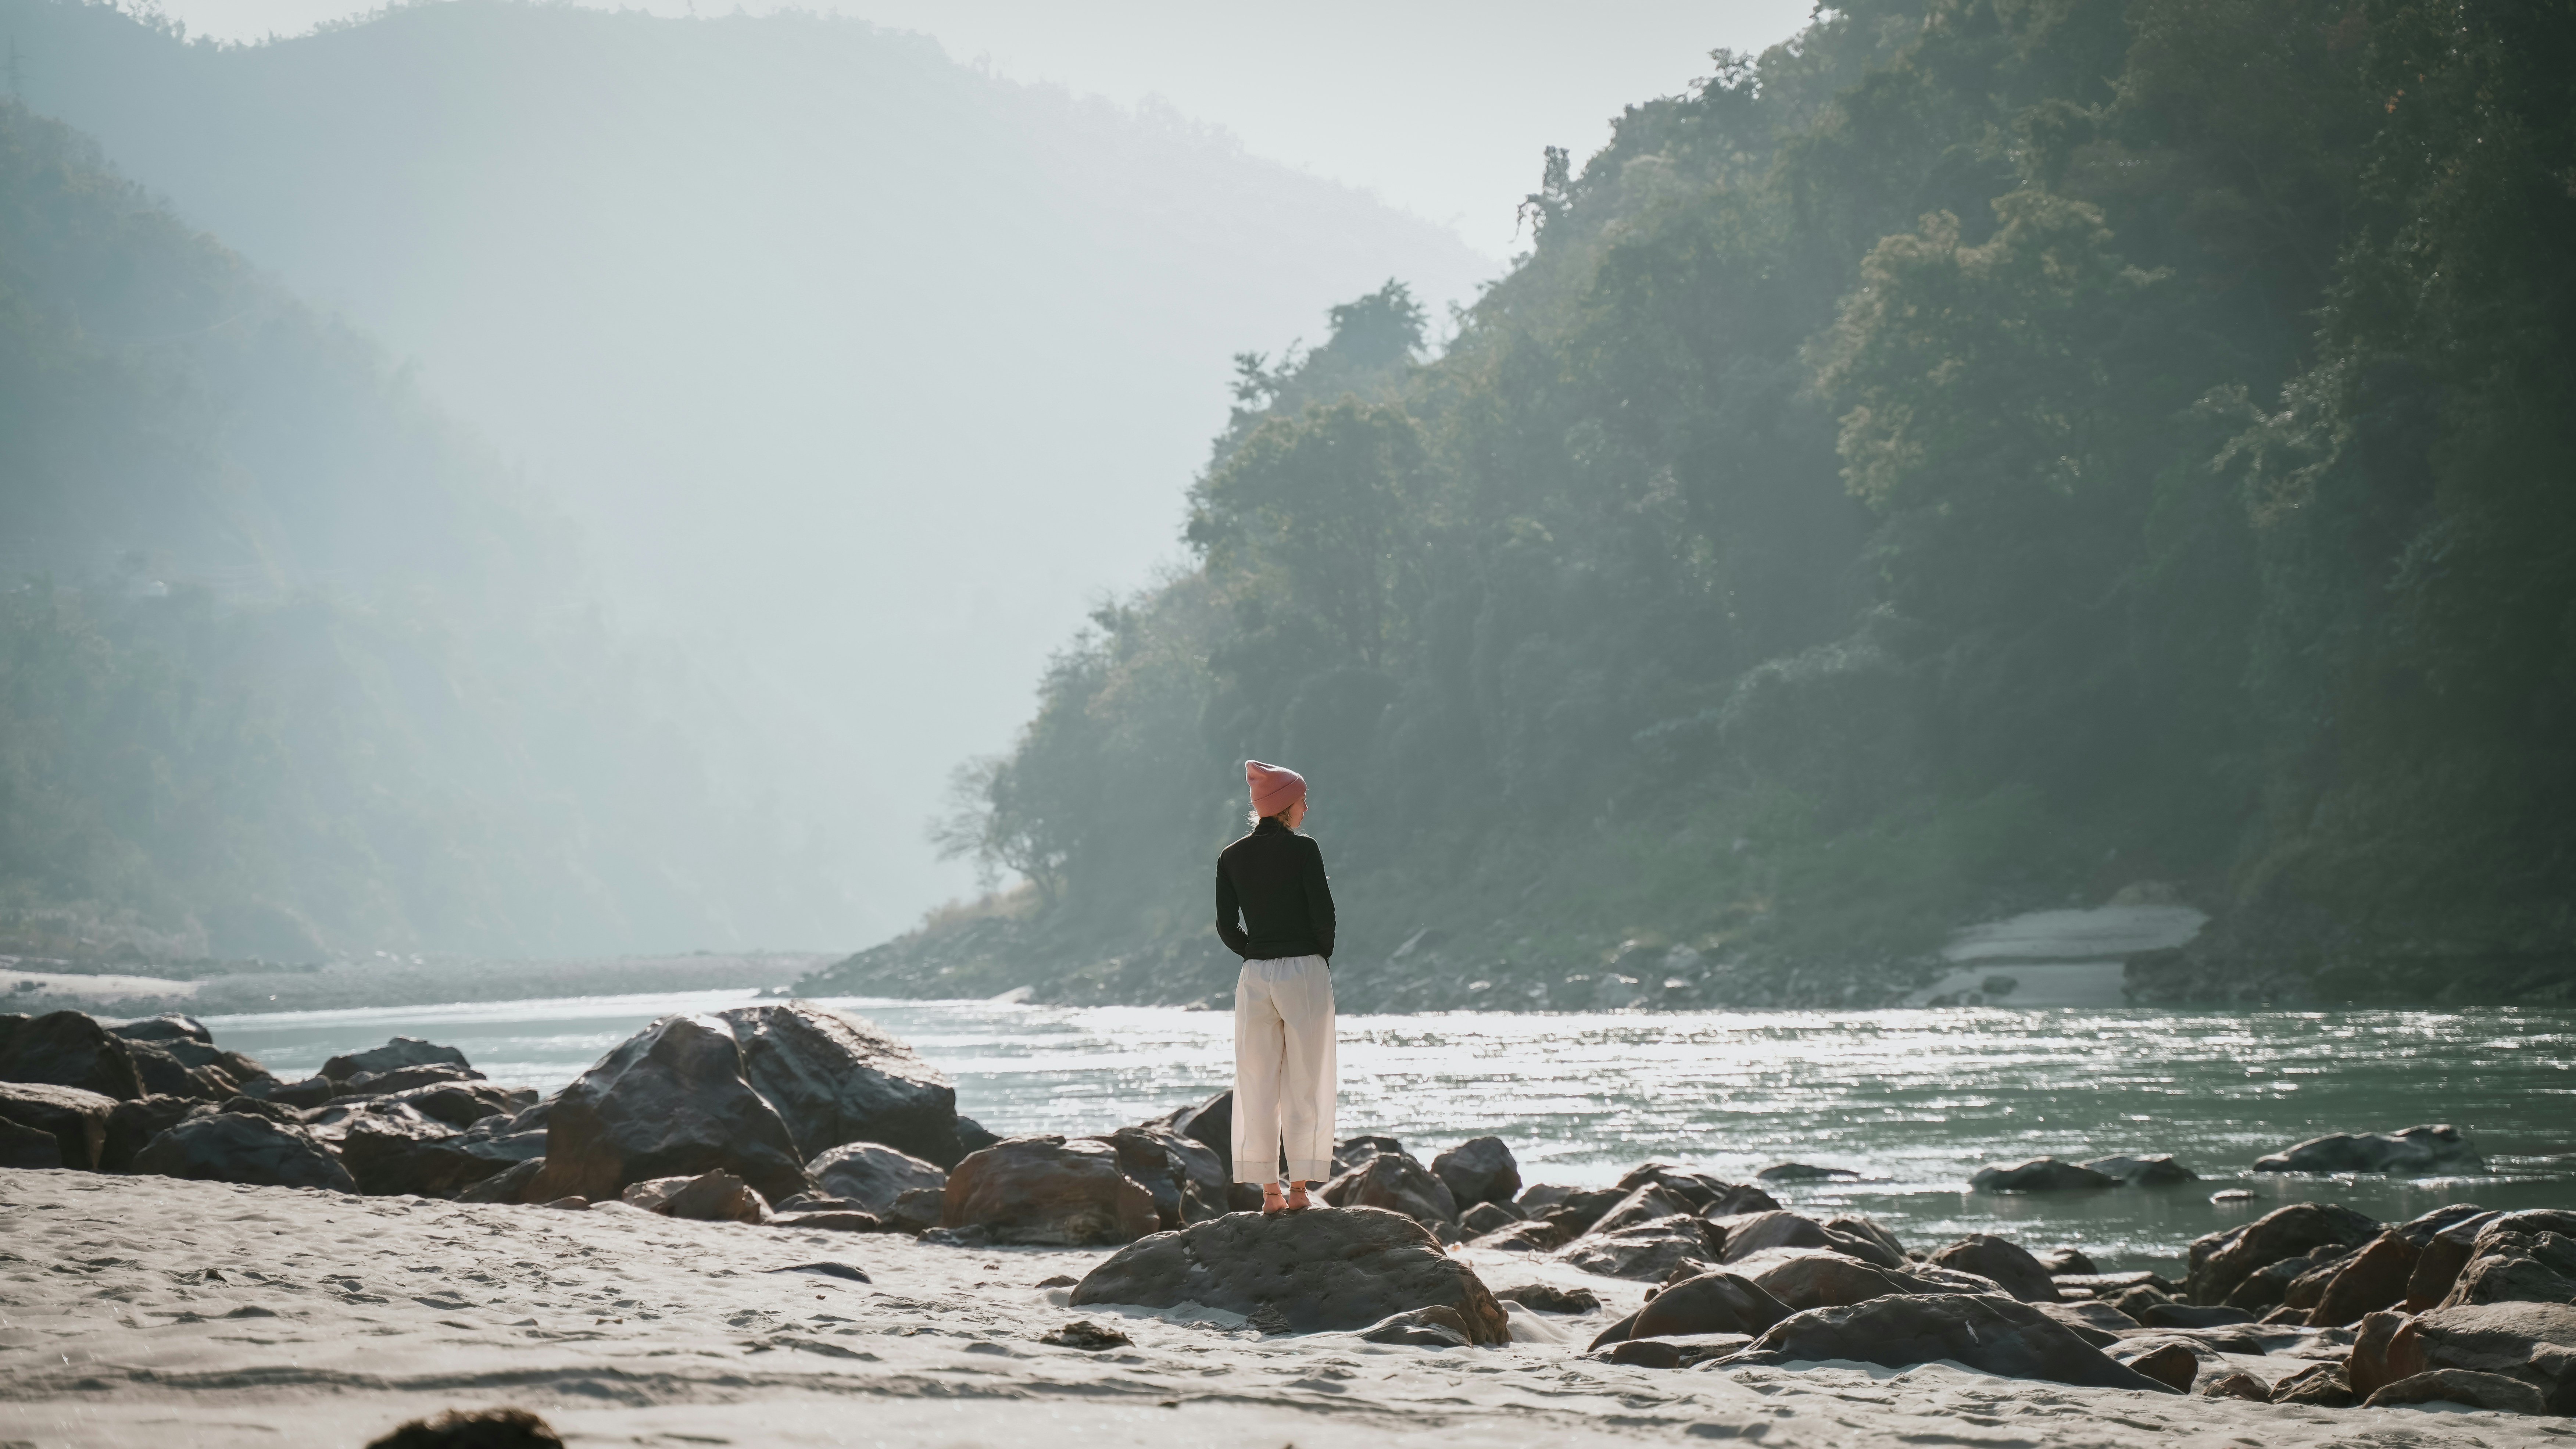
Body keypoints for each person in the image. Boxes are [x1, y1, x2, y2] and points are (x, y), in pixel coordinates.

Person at [1216, 759, 1337, 1214]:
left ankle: (1270, 1194)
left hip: (1256, 975)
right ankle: (1301, 1191)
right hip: (1304, 970)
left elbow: (1226, 926)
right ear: (1287, 806)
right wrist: (1319, 955)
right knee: (1307, 1079)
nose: (1306, 807)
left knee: (1256, 1079)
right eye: (1302, 799)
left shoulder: (1231, 857)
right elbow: (1322, 913)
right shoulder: (1305, 850)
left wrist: (1254, 952)